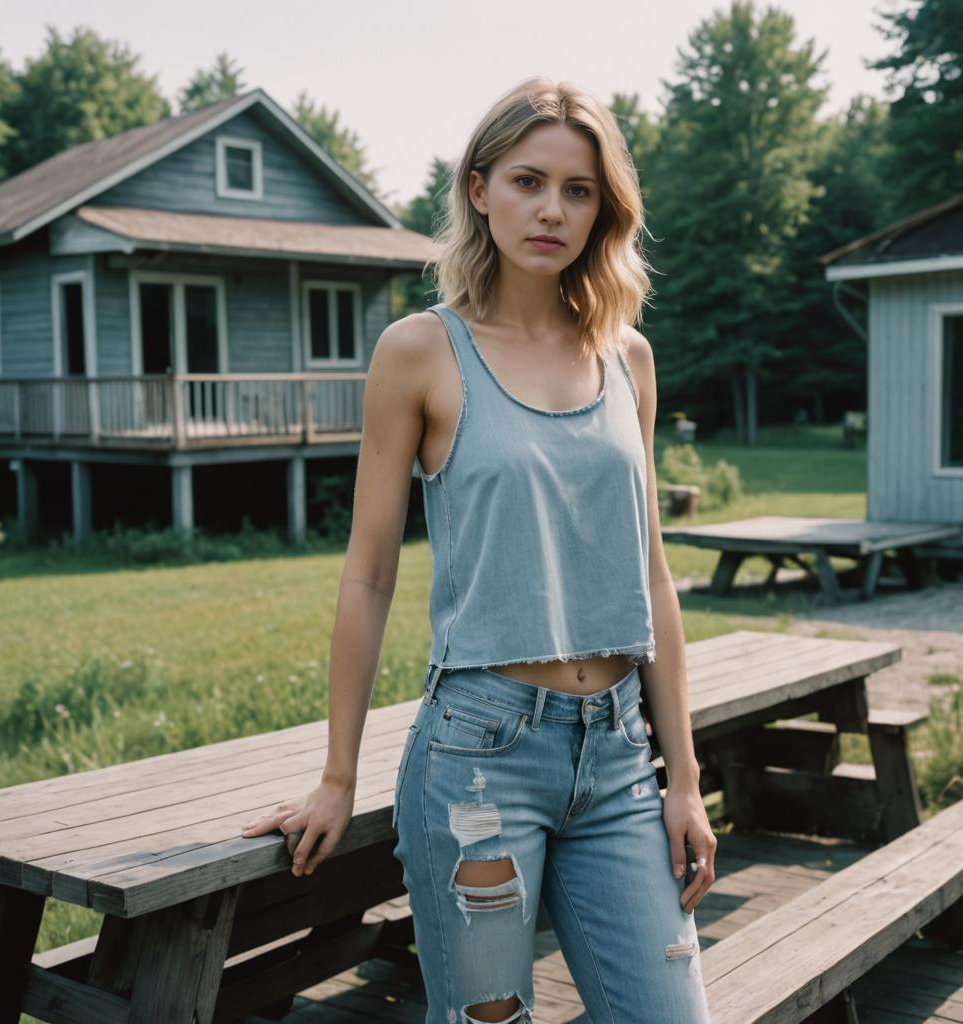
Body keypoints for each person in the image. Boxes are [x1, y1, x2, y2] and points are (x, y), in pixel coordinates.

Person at [240, 76, 716, 1024]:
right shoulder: (421, 352)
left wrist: (685, 779)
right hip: (479, 760)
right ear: (478, 188)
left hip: (620, 757)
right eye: (528, 181)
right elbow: (369, 572)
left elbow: (652, 573)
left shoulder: (628, 358)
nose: (552, 209)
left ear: (603, 210)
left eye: (579, 190)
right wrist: (339, 773)